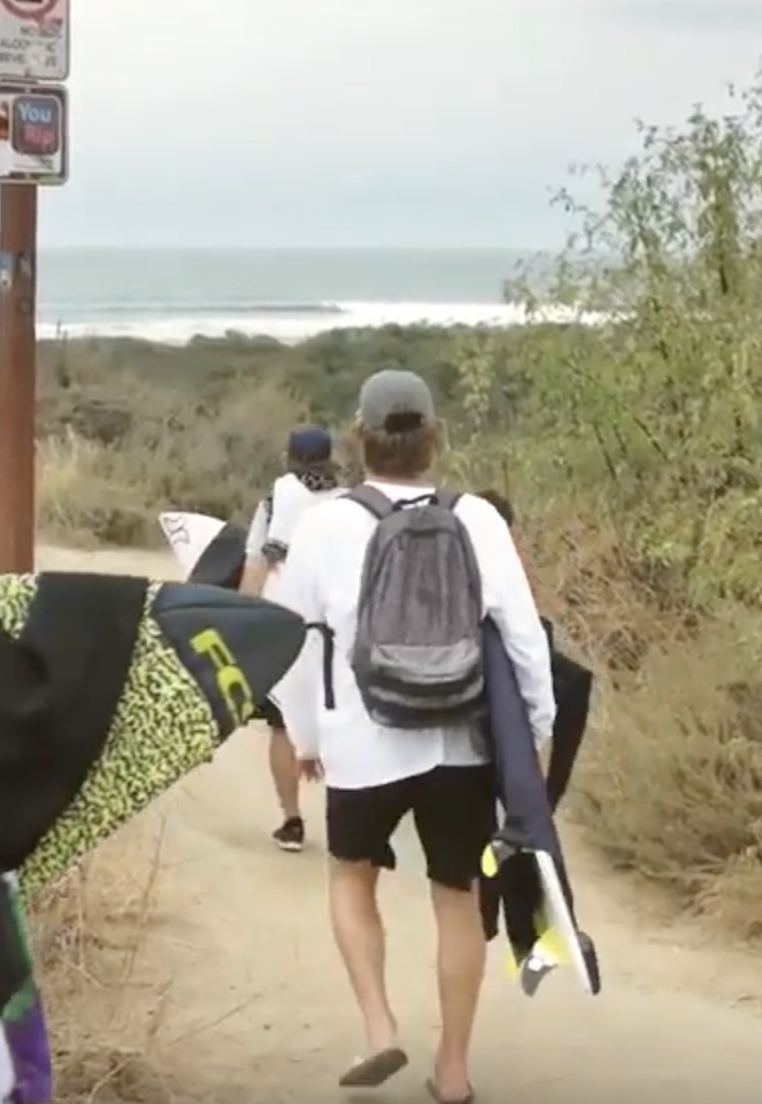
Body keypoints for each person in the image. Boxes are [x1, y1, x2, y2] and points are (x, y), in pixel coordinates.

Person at [273, 371, 553, 1104]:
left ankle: (378, 1028)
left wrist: (304, 736)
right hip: (460, 743)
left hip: (362, 741)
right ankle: (453, 1071)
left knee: (350, 876)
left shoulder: (324, 525)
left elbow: (293, 642)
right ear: (434, 436)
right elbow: (525, 639)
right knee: (458, 896)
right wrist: (534, 734)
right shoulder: (478, 519)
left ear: (358, 437)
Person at [237, 423, 344, 852]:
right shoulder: (349, 502)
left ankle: (292, 819)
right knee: (339, 725)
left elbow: (257, 563)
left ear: (289, 458)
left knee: (283, 722)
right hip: (337, 628)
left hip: (286, 623)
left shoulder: (274, 501)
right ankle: (344, 822)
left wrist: (242, 617)